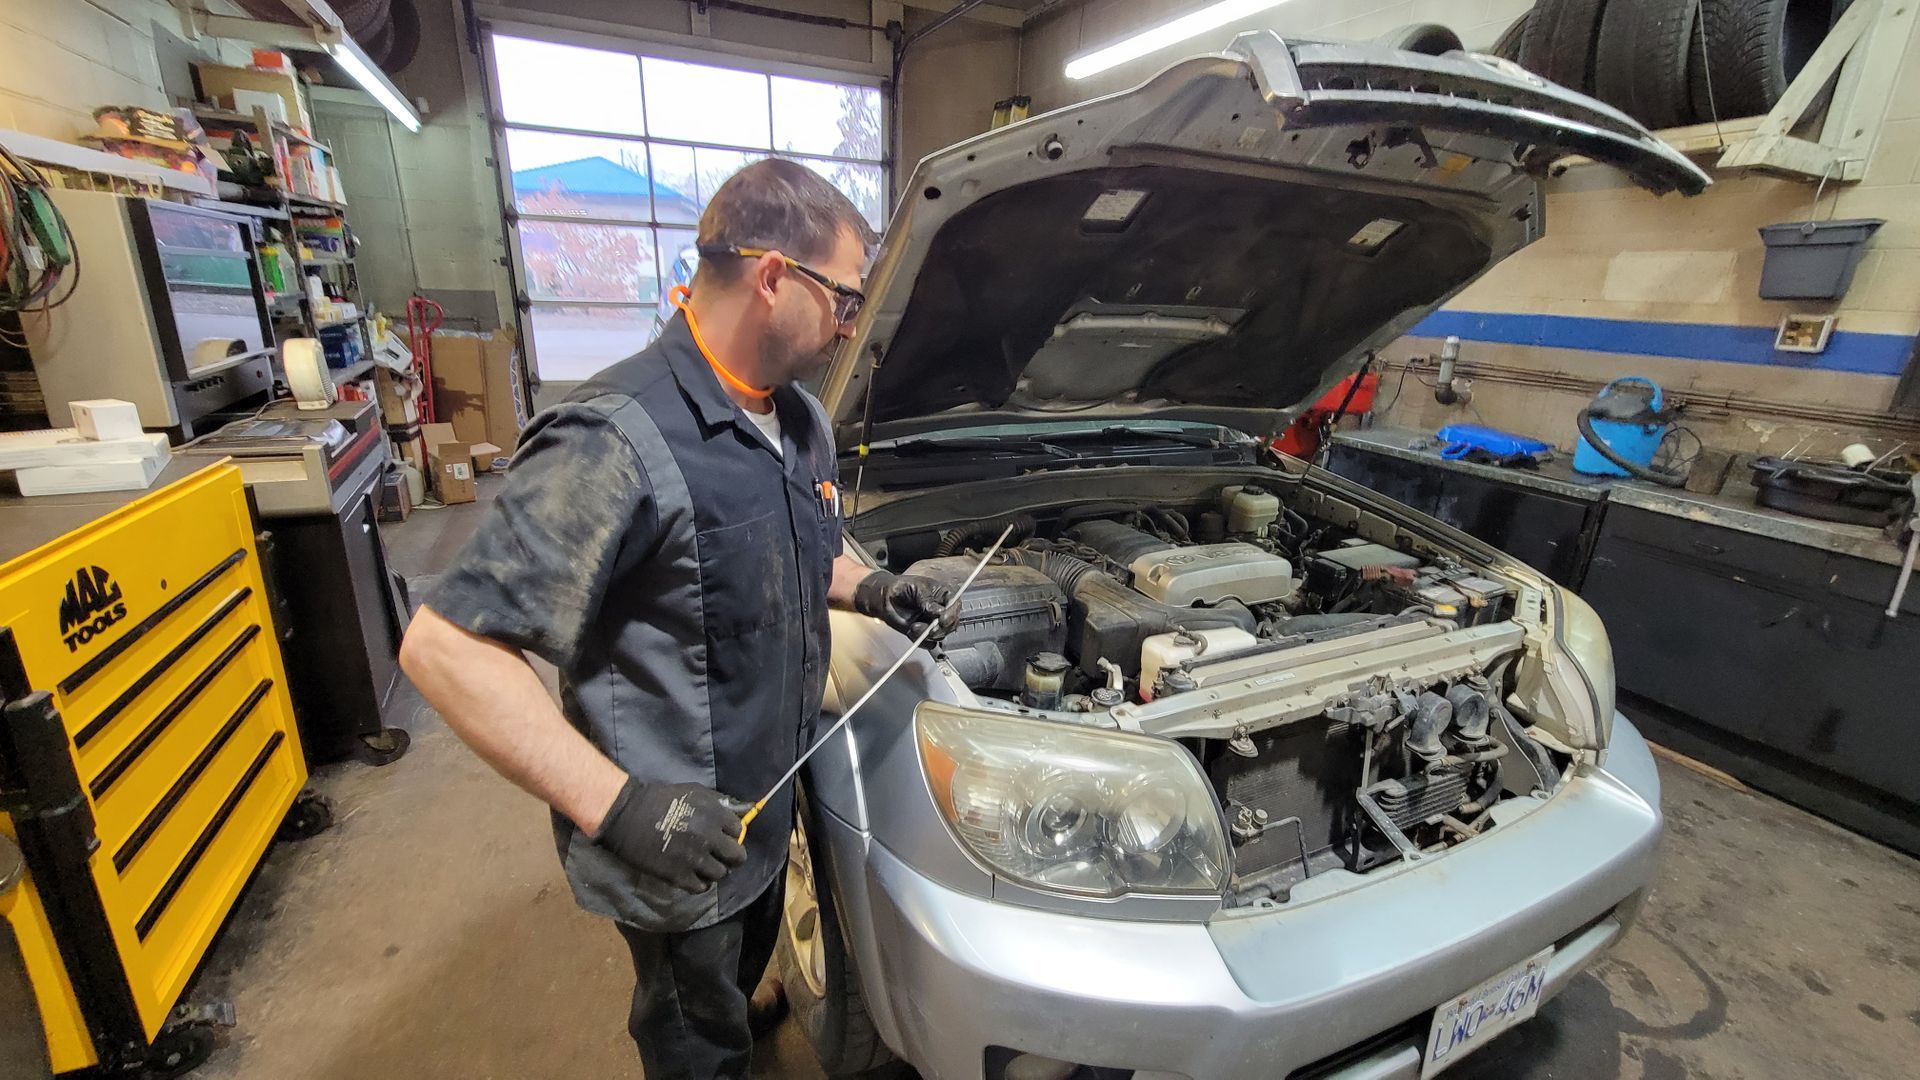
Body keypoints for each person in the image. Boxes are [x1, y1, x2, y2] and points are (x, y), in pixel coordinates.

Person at [398, 159, 951, 1079]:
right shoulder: (615, 438)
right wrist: (619, 808)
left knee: (735, 969)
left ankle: (734, 1002)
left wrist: (872, 589)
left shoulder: (801, 420)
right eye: (846, 298)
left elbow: (807, 548)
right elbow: (447, 647)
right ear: (775, 278)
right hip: (672, 840)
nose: (852, 323)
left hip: (769, 808)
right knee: (691, 1033)